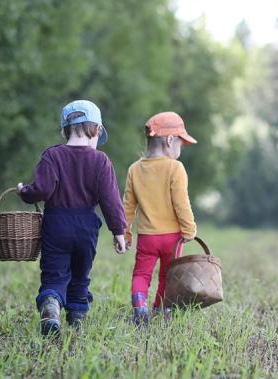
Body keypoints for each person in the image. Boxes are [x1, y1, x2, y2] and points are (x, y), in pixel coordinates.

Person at [18, 100, 127, 336]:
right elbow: (111, 200)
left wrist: (23, 191)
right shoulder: (101, 161)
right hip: (86, 227)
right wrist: (119, 232)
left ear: (64, 130)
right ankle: (76, 321)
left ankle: (50, 306)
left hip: (56, 224)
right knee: (80, 274)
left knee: (54, 274)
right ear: (97, 130)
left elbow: (41, 190)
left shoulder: (53, 155)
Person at [123, 111, 197, 324]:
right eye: (180, 145)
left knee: (141, 275)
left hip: (147, 237)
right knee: (168, 276)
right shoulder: (175, 168)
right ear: (170, 140)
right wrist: (189, 229)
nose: (180, 150)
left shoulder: (134, 170)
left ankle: (140, 306)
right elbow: (181, 203)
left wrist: (126, 232)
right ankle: (161, 309)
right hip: (172, 238)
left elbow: (128, 206)